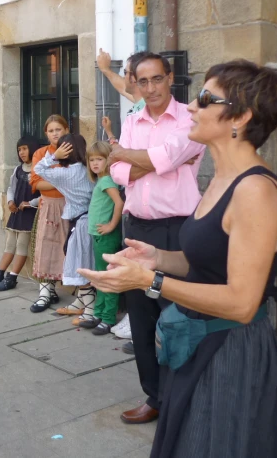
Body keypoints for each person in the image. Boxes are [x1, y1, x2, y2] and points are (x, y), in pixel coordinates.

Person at [80, 60, 277, 457]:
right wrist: (156, 257)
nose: (192, 107)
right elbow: (203, 265)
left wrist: (149, 282)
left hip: (230, 354)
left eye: (207, 99)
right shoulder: (223, 181)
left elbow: (243, 304)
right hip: (198, 345)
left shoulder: (255, 192)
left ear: (241, 117)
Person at [108, 52, 206, 425]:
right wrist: (146, 160)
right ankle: (156, 397)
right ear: (134, 82)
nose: (150, 88)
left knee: (178, 316)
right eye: (142, 81)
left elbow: (166, 156)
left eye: (156, 79)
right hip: (137, 228)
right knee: (142, 317)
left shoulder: (188, 119)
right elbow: (117, 170)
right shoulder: (132, 118)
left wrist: (131, 156)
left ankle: (185, 396)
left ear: (170, 77)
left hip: (177, 230)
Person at [34, 133, 95, 315]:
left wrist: (54, 156)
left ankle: (89, 311)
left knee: (81, 264)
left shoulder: (66, 173)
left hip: (79, 223)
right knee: (86, 262)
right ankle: (80, 304)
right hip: (91, 219)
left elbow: (39, 170)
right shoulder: (89, 169)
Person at [74, 141, 124, 335]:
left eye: (100, 159)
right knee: (101, 276)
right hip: (98, 237)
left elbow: (119, 202)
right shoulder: (101, 180)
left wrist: (111, 225)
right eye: (92, 160)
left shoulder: (107, 181)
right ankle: (99, 313)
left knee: (108, 277)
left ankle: (109, 317)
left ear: (109, 160)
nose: (95, 163)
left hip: (106, 237)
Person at [0, 136, 41, 292]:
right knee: (9, 244)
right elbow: (11, 188)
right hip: (16, 212)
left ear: (33, 148)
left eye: (24, 149)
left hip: (30, 213)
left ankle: (12, 276)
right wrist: (10, 202)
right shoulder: (18, 169)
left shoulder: (39, 169)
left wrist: (31, 203)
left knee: (22, 245)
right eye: (19, 150)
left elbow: (45, 194)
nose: (21, 152)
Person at [28, 115, 69, 313]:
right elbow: (36, 182)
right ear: (46, 133)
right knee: (45, 246)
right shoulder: (41, 153)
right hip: (48, 204)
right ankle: (45, 291)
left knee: (67, 246)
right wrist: (63, 181)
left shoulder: (74, 152)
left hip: (70, 205)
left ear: (66, 130)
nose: (55, 133)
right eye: (51, 130)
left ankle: (80, 293)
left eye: (58, 129)